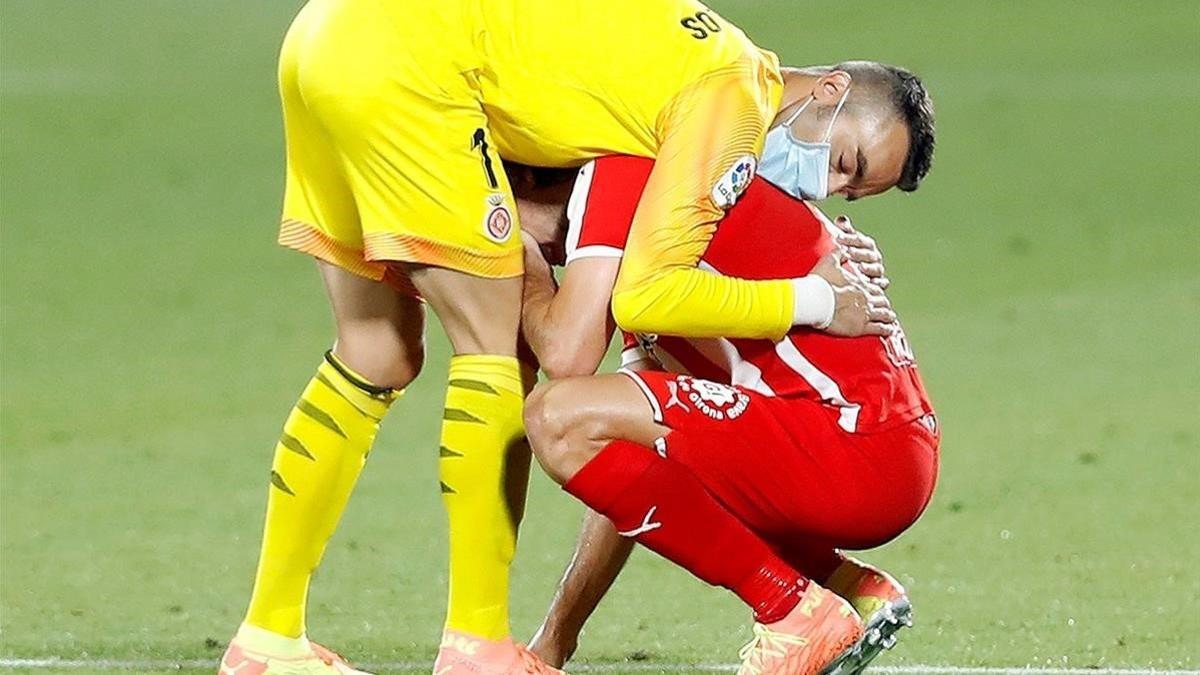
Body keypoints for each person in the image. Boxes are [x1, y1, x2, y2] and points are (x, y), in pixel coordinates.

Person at [218, 0, 935, 669]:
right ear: (829, 89)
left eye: (850, 192)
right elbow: (628, 306)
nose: (826, 188)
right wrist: (812, 297)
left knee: (375, 350)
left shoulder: (669, 65)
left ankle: (268, 637)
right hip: (409, 71)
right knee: (496, 341)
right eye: (845, 163)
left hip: (326, 34)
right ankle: (480, 645)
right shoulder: (728, 99)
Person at [513, 154, 939, 674]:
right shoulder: (652, 247)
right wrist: (553, 641)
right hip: (874, 447)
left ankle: (790, 609)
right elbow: (626, 453)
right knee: (596, 426)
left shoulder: (635, 188)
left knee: (555, 416)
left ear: (528, 176)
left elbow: (564, 355)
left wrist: (528, 267)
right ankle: (842, 585)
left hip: (855, 449)